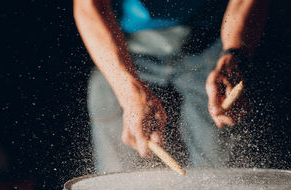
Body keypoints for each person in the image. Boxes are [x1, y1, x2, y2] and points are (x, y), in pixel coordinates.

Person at [73, 0, 269, 173]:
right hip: (131, 40)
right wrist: (129, 94)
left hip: (211, 35)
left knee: (221, 118)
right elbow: (87, 6)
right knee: (106, 96)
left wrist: (234, 55)